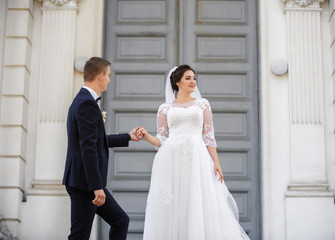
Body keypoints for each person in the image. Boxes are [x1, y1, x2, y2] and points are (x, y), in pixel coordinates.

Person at [137, 65, 251, 240]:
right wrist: (146, 136)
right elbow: (161, 140)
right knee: (174, 203)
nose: (192, 82)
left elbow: (208, 136)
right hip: (171, 159)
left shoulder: (202, 104)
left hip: (197, 157)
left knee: (197, 200)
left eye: (194, 78)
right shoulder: (165, 109)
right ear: (177, 82)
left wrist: (217, 163)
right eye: (188, 78)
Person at [62, 57, 141, 240]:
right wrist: (96, 187)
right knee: (79, 236)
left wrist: (127, 136)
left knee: (120, 220)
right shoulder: (86, 104)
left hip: (85, 181)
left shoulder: (84, 101)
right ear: (100, 76)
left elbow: (94, 141)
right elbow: (88, 148)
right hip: (85, 183)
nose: (109, 79)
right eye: (108, 75)